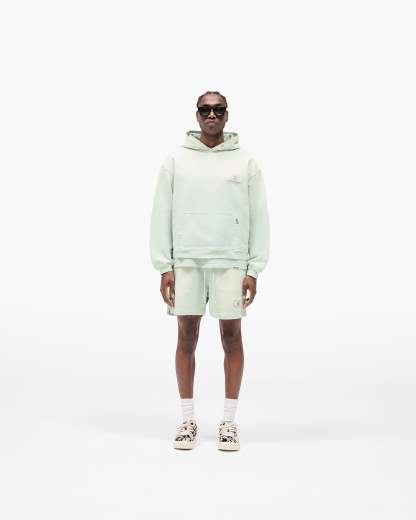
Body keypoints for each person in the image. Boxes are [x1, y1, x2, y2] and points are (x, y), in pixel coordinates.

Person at [149, 90, 270, 451]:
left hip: (230, 261)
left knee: (231, 337)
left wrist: (253, 268)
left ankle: (228, 423)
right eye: (205, 109)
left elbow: (259, 216)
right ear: (197, 114)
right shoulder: (176, 161)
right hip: (187, 261)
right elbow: (162, 213)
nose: (212, 115)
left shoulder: (245, 162)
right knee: (186, 336)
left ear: (227, 115)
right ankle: (187, 420)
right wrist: (164, 266)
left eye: (218, 109)